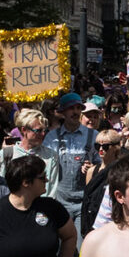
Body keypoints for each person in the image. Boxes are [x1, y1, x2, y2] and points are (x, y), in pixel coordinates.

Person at [44, 92, 100, 224]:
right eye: (71, 108)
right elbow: (44, 166)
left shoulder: (93, 135)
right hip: (60, 200)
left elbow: (103, 165)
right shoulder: (52, 137)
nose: (75, 112)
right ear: (63, 112)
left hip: (84, 201)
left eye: (78, 108)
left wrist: (93, 168)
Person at [0, 109, 61, 199]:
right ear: (24, 130)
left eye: (45, 130)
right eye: (38, 130)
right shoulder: (7, 154)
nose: (43, 134)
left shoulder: (51, 156)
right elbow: (1, 187)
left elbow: (52, 190)